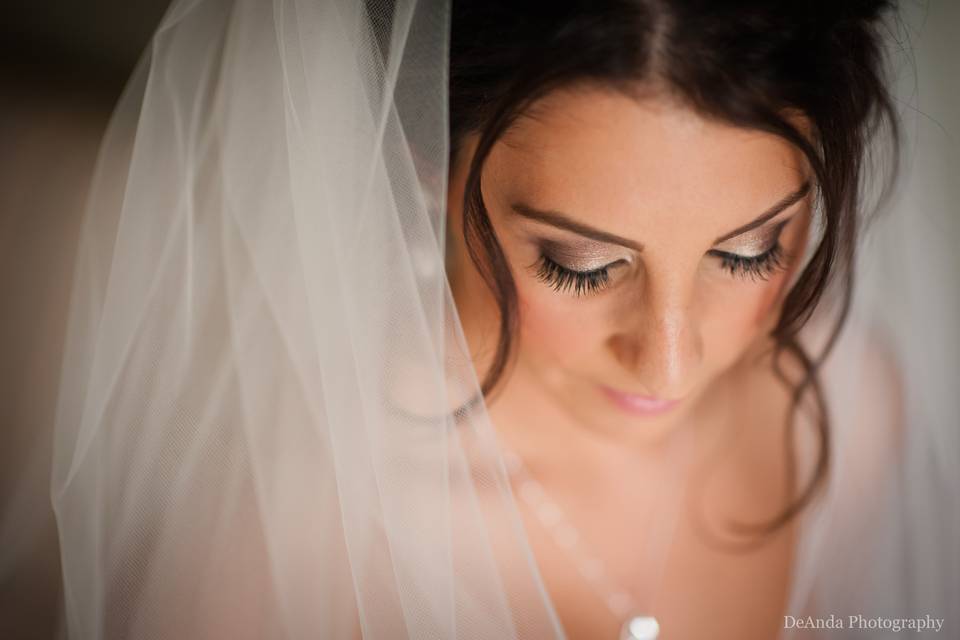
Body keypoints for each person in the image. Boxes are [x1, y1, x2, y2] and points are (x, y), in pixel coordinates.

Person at [45, 1, 957, 639]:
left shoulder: (857, 409)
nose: (670, 364)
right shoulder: (295, 545)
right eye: (580, 266)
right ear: (422, 160)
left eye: (751, 250)